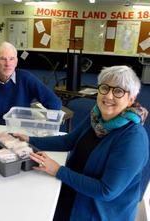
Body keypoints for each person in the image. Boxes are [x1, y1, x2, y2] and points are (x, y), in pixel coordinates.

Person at [14, 65, 149, 221]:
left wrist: (58, 170)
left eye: (118, 91)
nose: (109, 96)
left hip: (99, 211)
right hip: (74, 190)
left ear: (131, 99)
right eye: (105, 88)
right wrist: (29, 140)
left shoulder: (133, 138)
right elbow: (68, 141)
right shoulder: (97, 117)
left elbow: (106, 191)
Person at [0, 41, 62, 125]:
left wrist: (50, 124)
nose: (8, 64)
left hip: (22, 130)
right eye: (3, 59)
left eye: (11, 59)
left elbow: (53, 101)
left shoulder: (26, 78)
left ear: (16, 62)